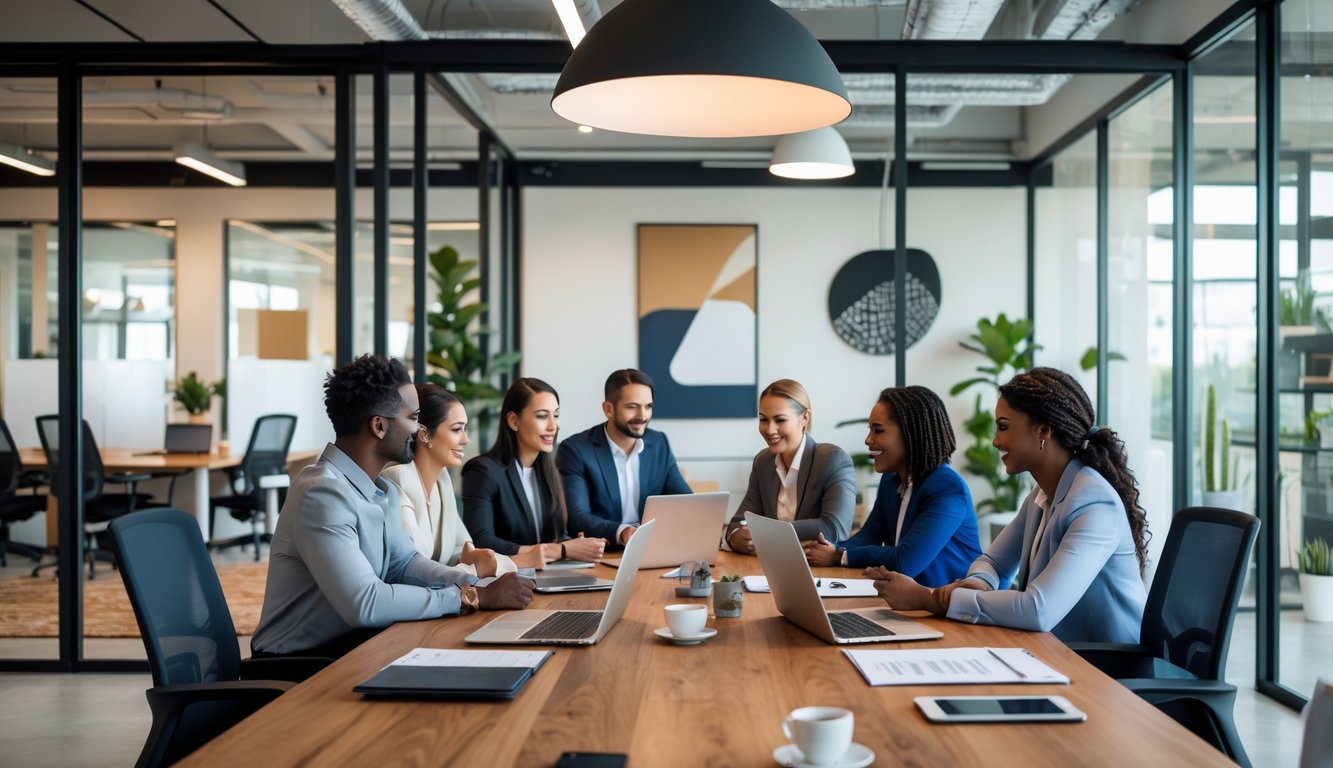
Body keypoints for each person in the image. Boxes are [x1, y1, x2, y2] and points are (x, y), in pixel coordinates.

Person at [250, 355, 533, 659]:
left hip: (351, 648)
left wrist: (478, 584)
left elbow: (406, 563)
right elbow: (366, 601)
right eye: (413, 418)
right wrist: (474, 597)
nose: (418, 430)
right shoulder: (322, 493)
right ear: (379, 426)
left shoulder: (380, 490)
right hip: (297, 665)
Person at [871, 367, 1149, 644]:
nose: (995, 441)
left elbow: (1038, 609)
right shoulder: (1041, 495)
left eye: (1003, 427)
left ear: (1043, 430)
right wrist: (979, 582)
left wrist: (933, 599)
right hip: (1053, 652)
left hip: (1107, 670)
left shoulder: (1094, 504)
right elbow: (993, 562)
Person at [801, 386, 982, 587]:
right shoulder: (892, 479)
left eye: (877, 430)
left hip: (951, 609)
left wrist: (840, 556)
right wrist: (831, 549)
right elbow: (870, 535)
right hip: (906, 603)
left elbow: (906, 561)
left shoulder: (947, 488)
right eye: (869, 429)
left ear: (911, 434)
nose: (868, 439)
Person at [381, 383, 529, 576]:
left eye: (465, 428)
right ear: (424, 434)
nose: (465, 439)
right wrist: (472, 567)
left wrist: (469, 561)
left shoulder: (442, 482)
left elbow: (464, 548)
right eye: (456, 429)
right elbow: (412, 569)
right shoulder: (396, 481)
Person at [462, 377, 607, 563]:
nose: (553, 426)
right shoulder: (482, 471)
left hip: (547, 574)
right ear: (514, 421)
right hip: (506, 579)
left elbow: (553, 538)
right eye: (542, 416)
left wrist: (578, 546)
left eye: (555, 415)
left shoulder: (548, 469)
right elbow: (482, 541)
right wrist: (558, 550)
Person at [558, 369, 693, 547]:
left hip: (653, 548)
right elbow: (577, 518)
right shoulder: (576, 450)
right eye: (632, 407)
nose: (642, 416)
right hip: (602, 553)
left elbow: (686, 502)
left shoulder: (659, 443)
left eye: (648, 406)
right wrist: (622, 532)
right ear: (608, 409)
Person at [725, 379, 855, 554]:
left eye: (780, 420)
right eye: (764, 419)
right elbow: (738, 523)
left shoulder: (832, 460)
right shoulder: (763, 462)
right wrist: (735, 537)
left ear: (805, 418)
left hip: (819, 573)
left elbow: (834, 528)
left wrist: (766, 534)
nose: (770, 430)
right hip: (770, 568)